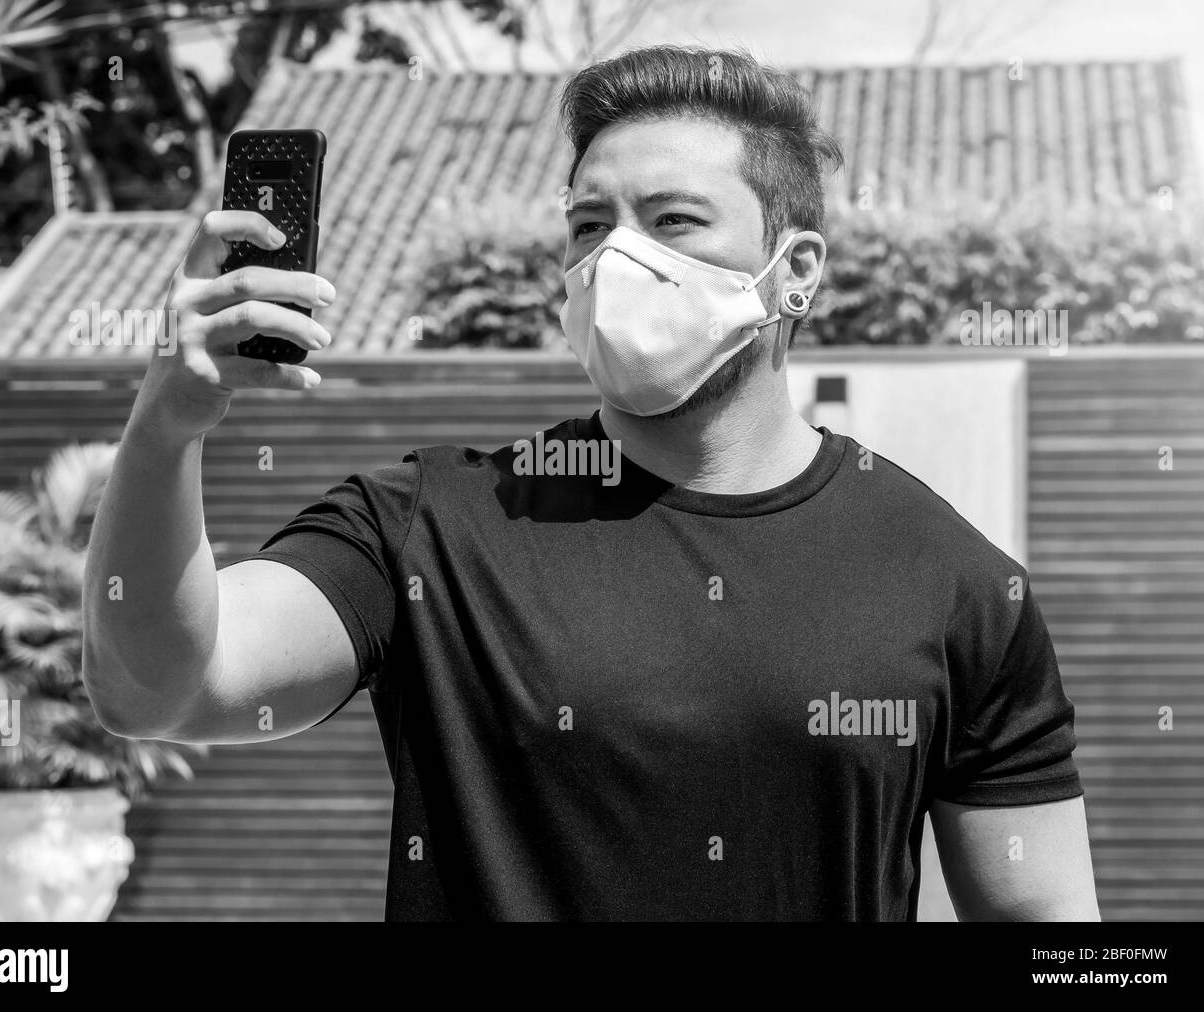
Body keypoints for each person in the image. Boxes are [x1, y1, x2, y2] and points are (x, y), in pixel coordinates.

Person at [82, 45, 1099, 921]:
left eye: (673, 219)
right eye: (588, 225)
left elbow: (1042, 917)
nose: (617, 257)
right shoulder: (427, 529)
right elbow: (160, 686)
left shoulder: (957, 581)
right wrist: (165, 427)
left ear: (795, 270)